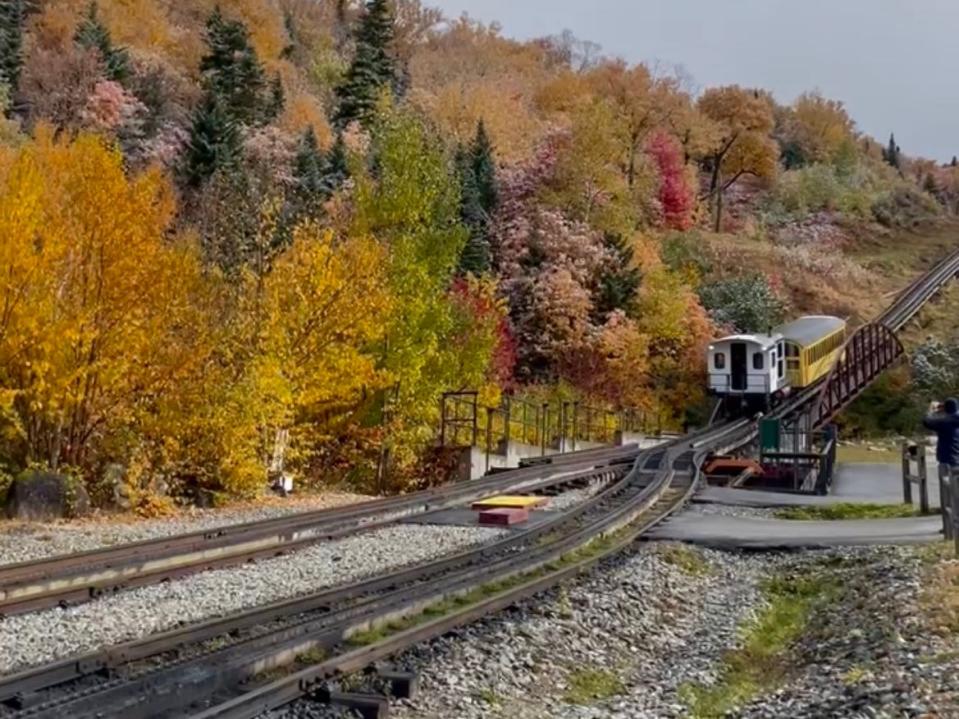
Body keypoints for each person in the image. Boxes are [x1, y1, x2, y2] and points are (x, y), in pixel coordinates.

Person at [923, 398, 959, 473]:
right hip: (956, 459)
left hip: (947, 460)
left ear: (946, 408)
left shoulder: (945, 422)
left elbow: (927, 422)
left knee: (946, 483)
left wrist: (931, 410)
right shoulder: (955, 418)